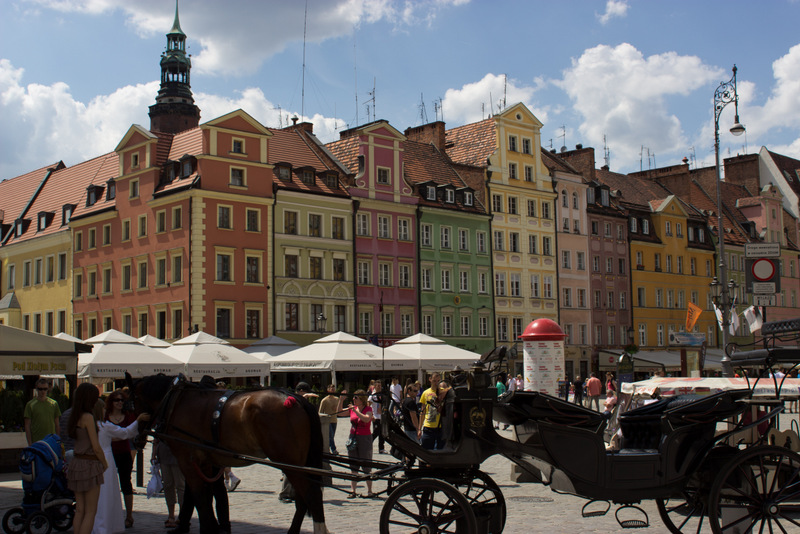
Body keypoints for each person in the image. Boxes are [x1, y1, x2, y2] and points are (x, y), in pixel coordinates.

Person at [94, 404, 150, 534]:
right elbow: (125, 432)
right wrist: (138, 420)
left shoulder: (93, 425)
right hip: (106, 458)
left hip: (95, 459)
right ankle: (105, 524)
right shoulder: (104, 426)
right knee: (108, 492)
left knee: (100, 494)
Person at [66, 383, 108, 534]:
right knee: (91, 511)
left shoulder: (73, 416)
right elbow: (96, 447)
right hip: (90, 463)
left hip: (76, 463)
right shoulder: (88, 417)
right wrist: (104, 463)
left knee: (80, 510)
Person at [104, 390, 137, 528]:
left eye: (122, 400)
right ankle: (110, 514)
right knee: (108, 484)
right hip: (109, 453)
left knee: (126, 483)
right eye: (116, 400)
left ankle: (129, 515)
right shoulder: (105, 416)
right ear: (111, 402)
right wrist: (121, 435)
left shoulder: (128, 416)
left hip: (124, 453)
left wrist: (117, 436)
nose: (119, 403)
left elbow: (131, 433)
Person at [346, 390, 375, 498]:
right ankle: (353, 490)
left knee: (366, 464)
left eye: (356, 398)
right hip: (353, 437)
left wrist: (356, 411)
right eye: (353, 397)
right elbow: (340, 412)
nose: (354, 399)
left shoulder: (368, 409)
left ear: (362, 400)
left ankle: (370, 490)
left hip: (364, 438)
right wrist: (340, 401)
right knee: (353, 464)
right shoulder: (352, 409)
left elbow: (367, 419)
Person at [153, 438, 184, 529]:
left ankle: (182, 516)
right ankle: (171, 515)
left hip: (178, 453)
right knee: (168, 485)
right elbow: (156, 437)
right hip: (164, 453)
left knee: (180, 486)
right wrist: (154, 452)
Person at [24, 378, 62, 445]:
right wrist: (30, 444)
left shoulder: (54, 404)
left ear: (48, 389)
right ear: (36, 389)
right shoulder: (30, 405)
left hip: (51, 441)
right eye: (40, 389)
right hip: (36, 441)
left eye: (45, 389)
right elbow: (27, 426)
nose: (43, 391)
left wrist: (58, 441)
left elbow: (57, 425)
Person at [419, 372, 444, 450]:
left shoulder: (444, 392)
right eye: (434, 381)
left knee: (440, 450)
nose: (436, 383)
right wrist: (419, 428)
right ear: (430, 380)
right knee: (426, 449)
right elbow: (423, 412)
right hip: (428, 426)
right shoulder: (425, 393)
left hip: (440, 426)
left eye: (438, 381)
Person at [318, 384, 346, 454]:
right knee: (330, 436)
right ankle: (334, 449)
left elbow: (339, 409)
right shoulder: (324, 400)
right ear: (328, 390)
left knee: (331, 436)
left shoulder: (337, 399)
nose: (333, 389)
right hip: (328, 421)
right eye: (331, 388)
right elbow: (320, 412)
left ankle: (326, 449)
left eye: (333, 388)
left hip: (334, 420)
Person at [369, 381, 386, 454]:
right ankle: (368, 444)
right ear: (375, 386)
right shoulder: (372, 396)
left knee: (382, 433)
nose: (379, 387)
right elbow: (368, 406)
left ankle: (381, 448)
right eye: (378, 386)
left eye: (380, 385)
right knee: (376, 432)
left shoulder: (382, 395)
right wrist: (371, 415)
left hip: (381, 416)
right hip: (375, 416)